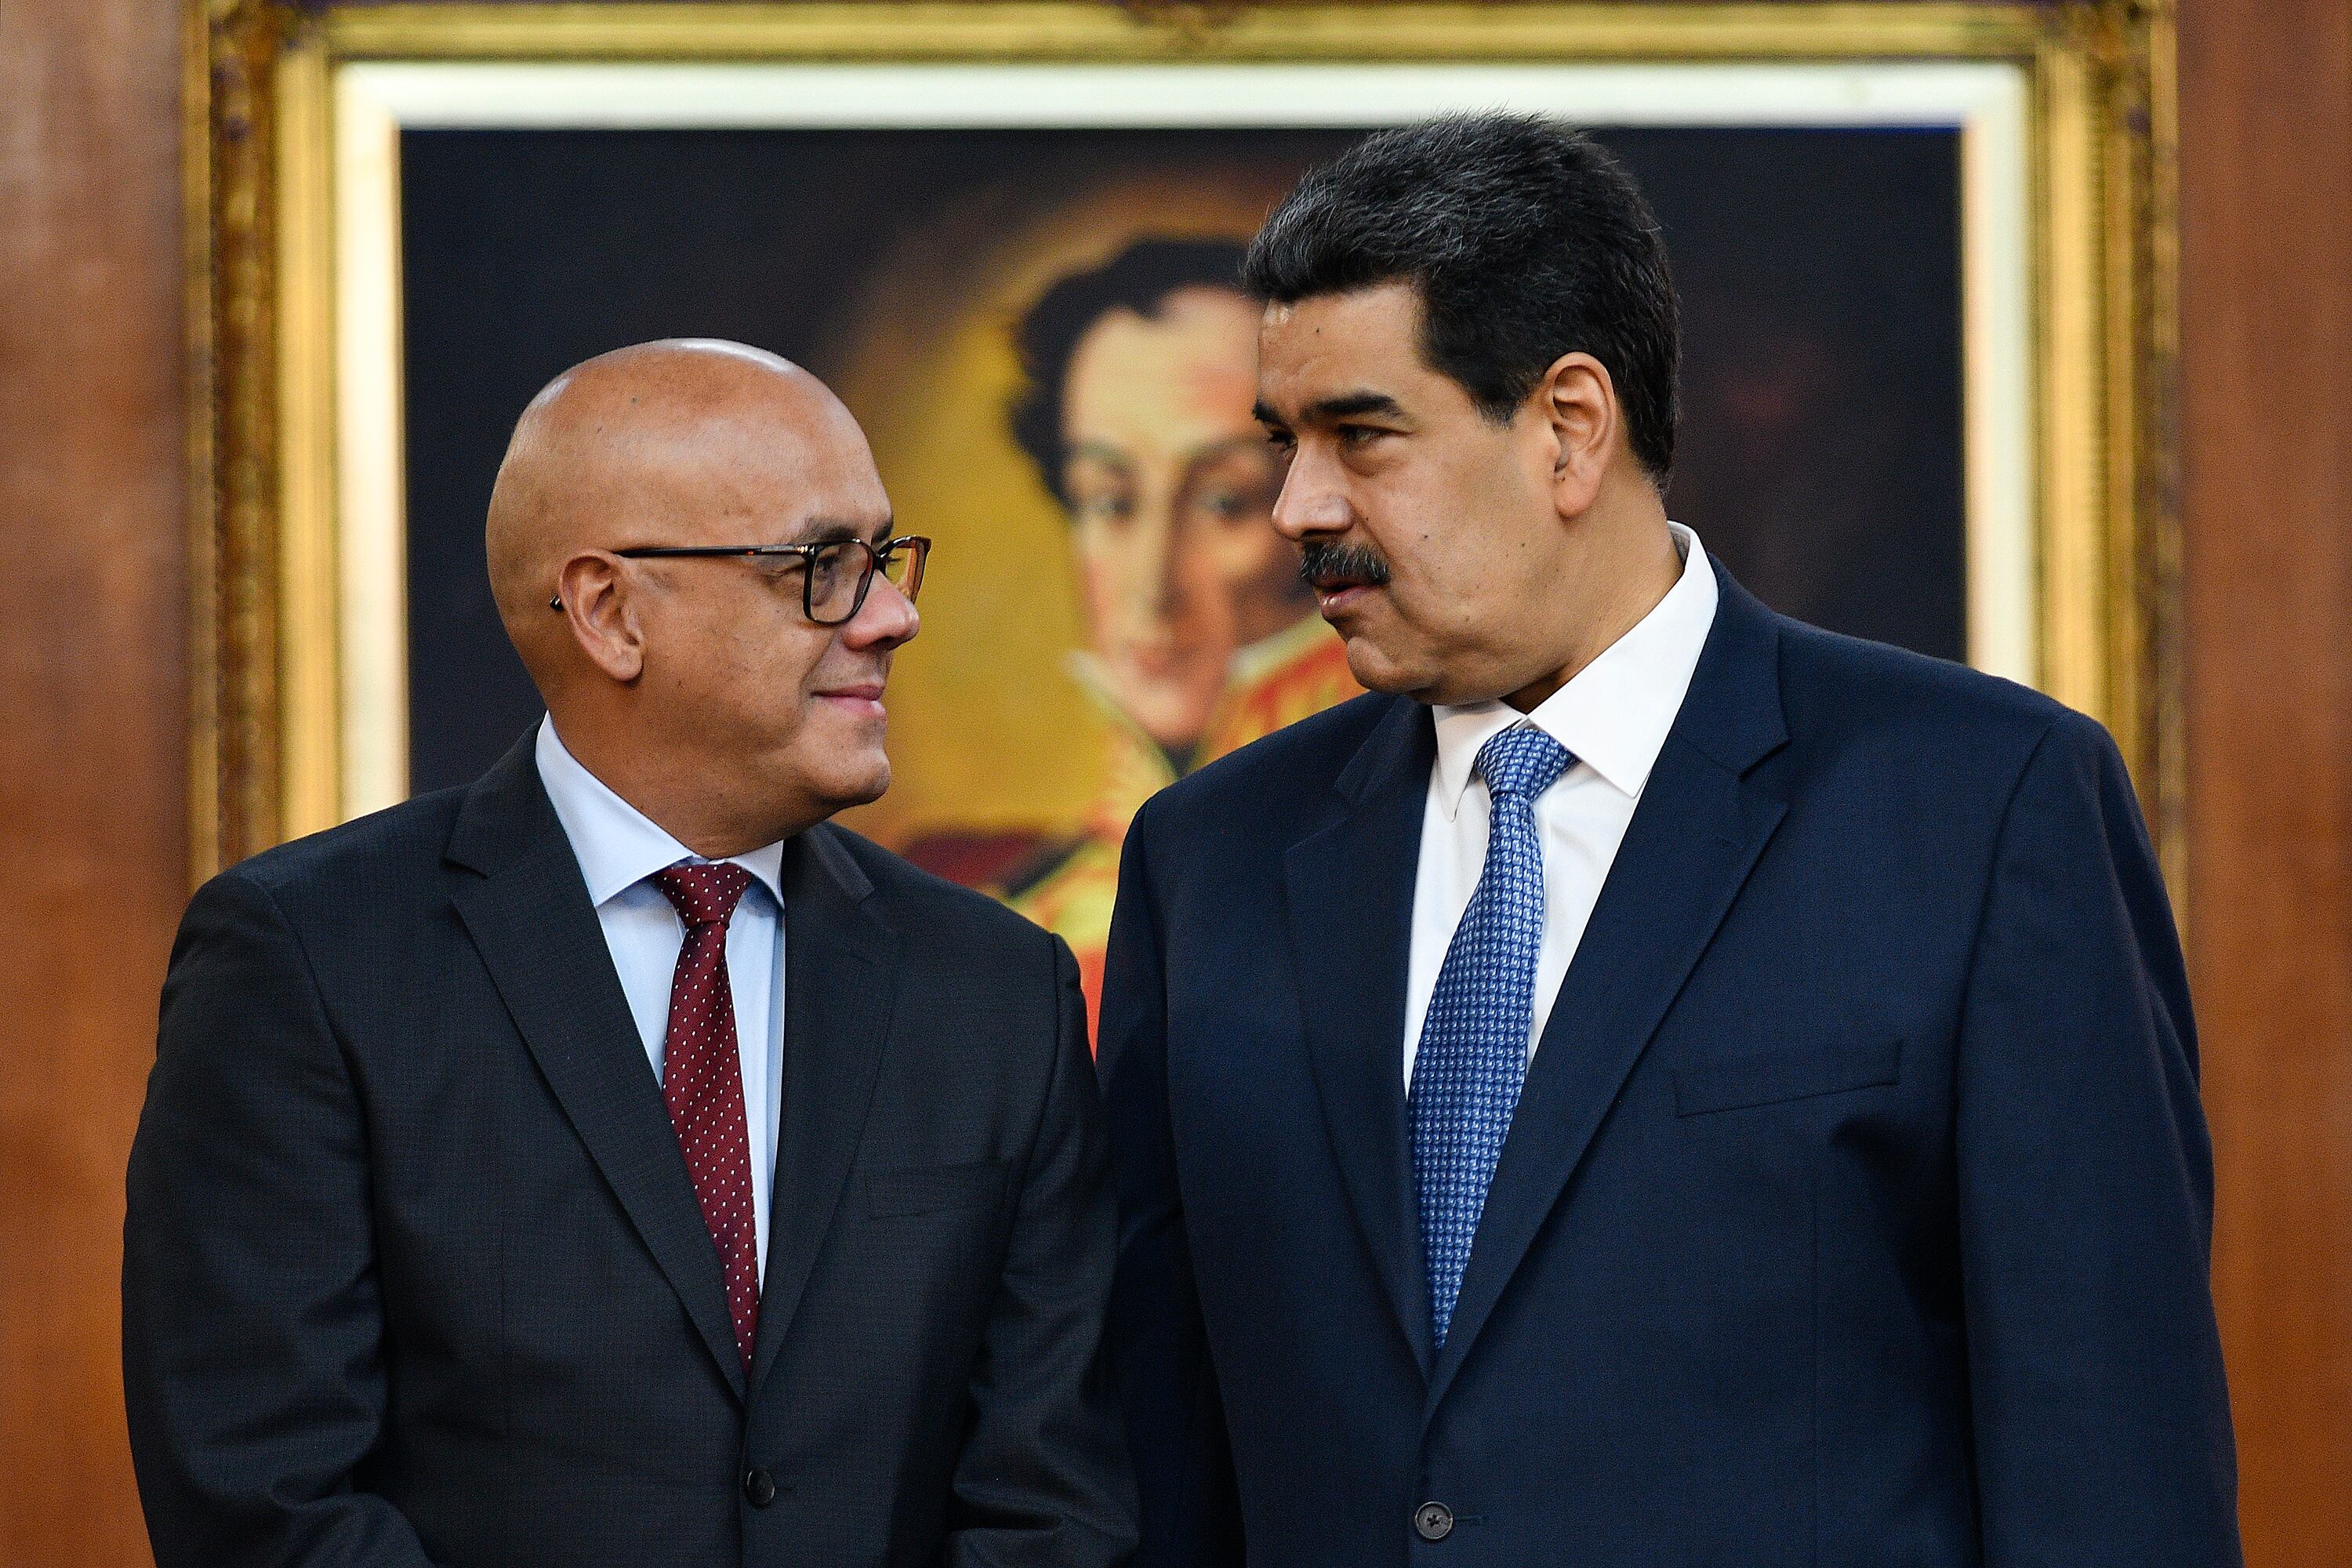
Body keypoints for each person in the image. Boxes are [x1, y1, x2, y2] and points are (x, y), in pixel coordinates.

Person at [1100, 118, 2239, 1566]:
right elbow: (1156, 1451)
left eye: (1361, 437)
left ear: (1571, 426)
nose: (1298, 510)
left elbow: (2108, 1460)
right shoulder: (1210, 860)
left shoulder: (1983, 804)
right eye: (1286, 444)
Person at [124, 339, 1136, 1568]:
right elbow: (264, 1499)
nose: (893, 615)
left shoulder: (994, 991)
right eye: (824, 566)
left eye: (884, 560)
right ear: (609, 611)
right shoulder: (310, 959)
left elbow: (1057, 1504)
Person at [907, 240, 1358, 1025]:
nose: (1152, 581)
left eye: (1226, 502)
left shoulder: (1419, 873)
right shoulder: (963, 901)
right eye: (1110, 500)